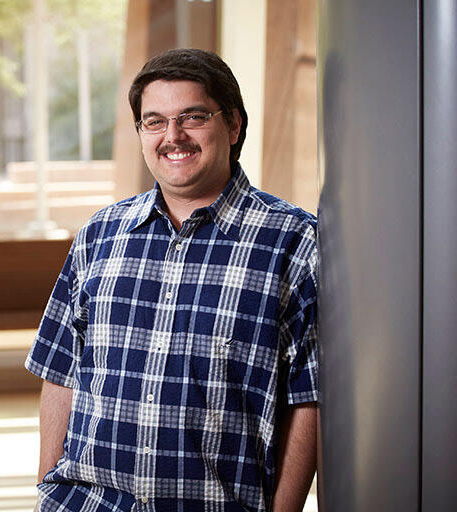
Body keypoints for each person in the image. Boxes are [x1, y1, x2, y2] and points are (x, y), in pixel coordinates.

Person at [25, 48, 319, 512]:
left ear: (234, 125)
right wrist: (49, 490)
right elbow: (61, 371)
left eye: (192, 117)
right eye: (154, 121)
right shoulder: (99, 236)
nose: (173, 136)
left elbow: (309, 401)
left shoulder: (294, 242)